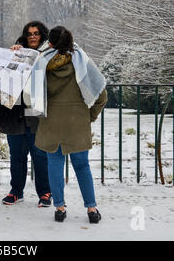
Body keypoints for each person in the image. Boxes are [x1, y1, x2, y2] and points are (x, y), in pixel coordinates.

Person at [35, 26, 108, 223]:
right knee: (83, 166)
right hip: (77, 123)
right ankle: (92, 209)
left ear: (49, 43)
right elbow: (101, 95)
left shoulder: (41, 63)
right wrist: (89, 117)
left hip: (51, 123)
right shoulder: (83, 61)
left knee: (55, 165)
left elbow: (31, 96)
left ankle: (59, 208)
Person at [0, 21, 52, 207]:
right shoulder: (15, 53)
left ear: (43, 35)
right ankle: (16, 191)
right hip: (15, 113)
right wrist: (10, 56)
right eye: (29, 34)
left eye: (36, 33)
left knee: (40, 156)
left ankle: (45, 192)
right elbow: (0, 77)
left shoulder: (49, 54)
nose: (33, 36)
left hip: (36, 112)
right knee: (16, 156)